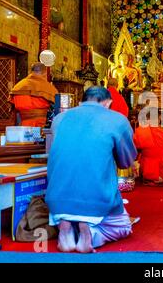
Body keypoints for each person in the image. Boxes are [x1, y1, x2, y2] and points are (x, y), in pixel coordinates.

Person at [46, 86, 137, 253]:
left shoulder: (59, 119)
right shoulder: (118, 120)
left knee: (68, 199)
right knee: (123, 226)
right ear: (108, 103)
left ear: (82, 101)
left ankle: (66, 228)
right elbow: (126, 162)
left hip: (55, 200)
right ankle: (92, 233)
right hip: (97, 200)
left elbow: (54, 152)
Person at [9, 62, 58, 127]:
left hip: (22, 126)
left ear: (31, 72)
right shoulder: (48, 87)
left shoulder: (18, 86)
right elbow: (57, 105)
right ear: (44, 73)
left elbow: (14, 108)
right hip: (41, 125)